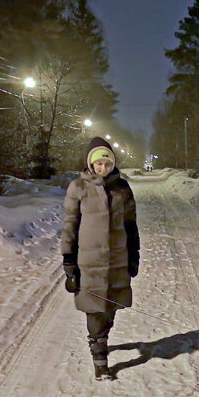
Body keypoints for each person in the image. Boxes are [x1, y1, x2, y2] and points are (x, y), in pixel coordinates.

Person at [61, 137, 140, 380]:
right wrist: (69, 261)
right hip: (89, 261)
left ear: (112, 164)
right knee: (94, 310)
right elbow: (70, 225)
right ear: (90, 165)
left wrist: (133, 255)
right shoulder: (78, 188)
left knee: (110, 309)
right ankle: (100, 359)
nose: (102, 169)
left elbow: (130, 224)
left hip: (117, 259)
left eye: (106, 164)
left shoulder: (122, 188)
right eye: (97, 164)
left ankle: (101, 338)